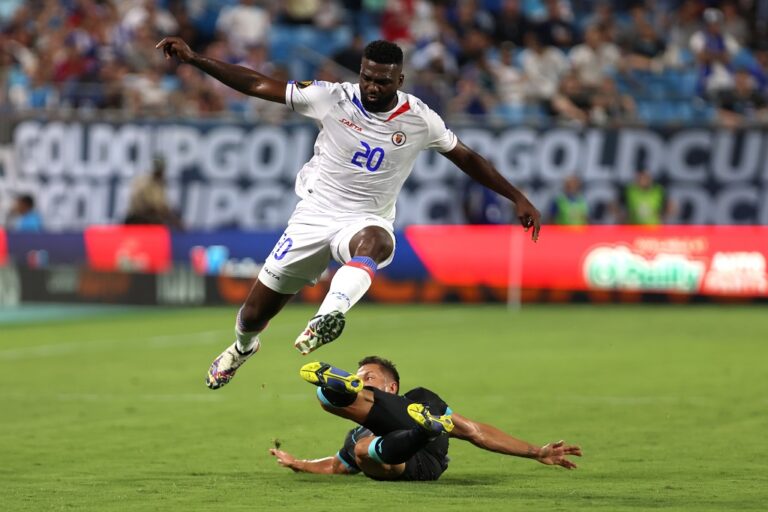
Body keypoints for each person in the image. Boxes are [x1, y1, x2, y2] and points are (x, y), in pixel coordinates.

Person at [155, 37, 542, 390]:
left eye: (383, 82)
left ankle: (328, 317)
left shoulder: (421, 119)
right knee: (254, 313)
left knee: (377, 241)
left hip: (364, 219)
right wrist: (196, 59)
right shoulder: (330, 96)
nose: (373, 87)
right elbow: (257, 84)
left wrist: (516, 196)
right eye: (367, 78)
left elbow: (467, 157)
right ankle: (242, 348)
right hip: (314, 215)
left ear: (400, 79)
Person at [269, 356, 582, 480]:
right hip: (401, 458)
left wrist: (534, 451)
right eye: (358, 376)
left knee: (361, 427)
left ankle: (332, 391)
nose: (363, 378)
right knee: (362, 448)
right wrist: (299, 463)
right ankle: (424, 430)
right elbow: (337, 466)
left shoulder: (417, 399)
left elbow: (474, 431)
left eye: (369, 377)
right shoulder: (357, 437)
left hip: (427, 458)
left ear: (392, 386)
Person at [124, 157, 182, 228]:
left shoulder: (159, 183)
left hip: (146, 218)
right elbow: (156, 206)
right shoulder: (146, 182)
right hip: (140, 219)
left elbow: (162, 206)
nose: (161, 172)